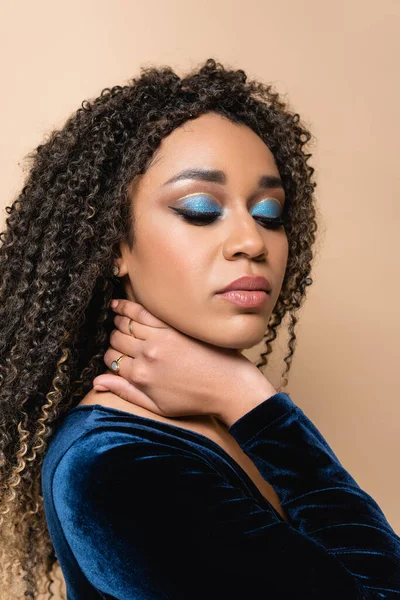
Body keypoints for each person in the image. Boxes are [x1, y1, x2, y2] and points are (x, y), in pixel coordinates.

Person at [0, 57, 398, 600]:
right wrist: (251, 396)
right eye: (200, 208)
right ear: (114, 245)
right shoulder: (116, 468)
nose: (252, 242)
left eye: (269, 213)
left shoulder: (219, 422)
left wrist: (239, 396)